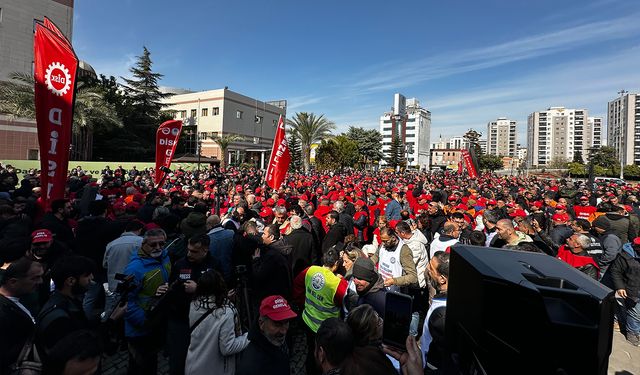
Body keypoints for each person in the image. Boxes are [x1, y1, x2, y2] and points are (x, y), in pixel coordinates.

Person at [167, 234, 222, 375]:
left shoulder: (215, 264)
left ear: (205, 250)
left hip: (205, 321)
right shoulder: (180, 264)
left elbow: (221, 290)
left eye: (194, 251)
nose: (189, 254)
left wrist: (198, 289)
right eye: (189, 250)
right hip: (181, 320)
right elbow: (172, 289)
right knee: (178, 361)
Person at [123, 228, 172, 375]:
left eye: (161, 244)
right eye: (153, 245)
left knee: (151, 362)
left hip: (156, 322)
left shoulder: (165, 257)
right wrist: (144, 321)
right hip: (140, 328)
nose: (158, 248)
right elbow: (126, 301)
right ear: (143, 244)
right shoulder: (134, 268)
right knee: (141, 366)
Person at [185, 270, 249, 375]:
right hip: (215, 369)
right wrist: (248, 338)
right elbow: (228, 348)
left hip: (193, 365)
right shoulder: (226, 313)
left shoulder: (194, 304)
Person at [36, 255, 96, 359]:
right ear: (71, 281)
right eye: (87, 275)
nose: (92, 278)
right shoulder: (60, 319)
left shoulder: (69, 301)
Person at [0, 257, 44, 373]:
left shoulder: (23, 298)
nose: (40, 282)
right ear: (13, 282)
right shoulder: (3, 312)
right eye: (35, 278)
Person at [236, 295, 297, 375]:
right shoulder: (251, 367)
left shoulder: (280, 338)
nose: (283, 331)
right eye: (277, 324)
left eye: (286, 322)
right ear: (261, 324)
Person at [103, 220, 144, 320]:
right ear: (140, 230)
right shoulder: (142, 242)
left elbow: (105, 265)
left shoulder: (111, 244)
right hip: (135, 285)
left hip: (114, 285)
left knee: (112, 314)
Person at [607, 237, 640, 346]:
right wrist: (620, 287)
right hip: (632, 288)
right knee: (635, 313)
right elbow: (616, 271)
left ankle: (619, 321)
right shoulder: (624, 256)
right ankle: (632, 333)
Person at [421, 251, 449, 373]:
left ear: (442, 279)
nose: (427, 270)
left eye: (431, 268)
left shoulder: (442, 313)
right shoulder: (439, 301)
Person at [252, 224, 293, 306]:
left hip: (273, 296)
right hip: (284, 292)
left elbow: (259, 275)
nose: (262, 236)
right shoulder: (285, 246)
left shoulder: (271, 255)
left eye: (264, 234)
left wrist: (256, 260)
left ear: (271, 237)